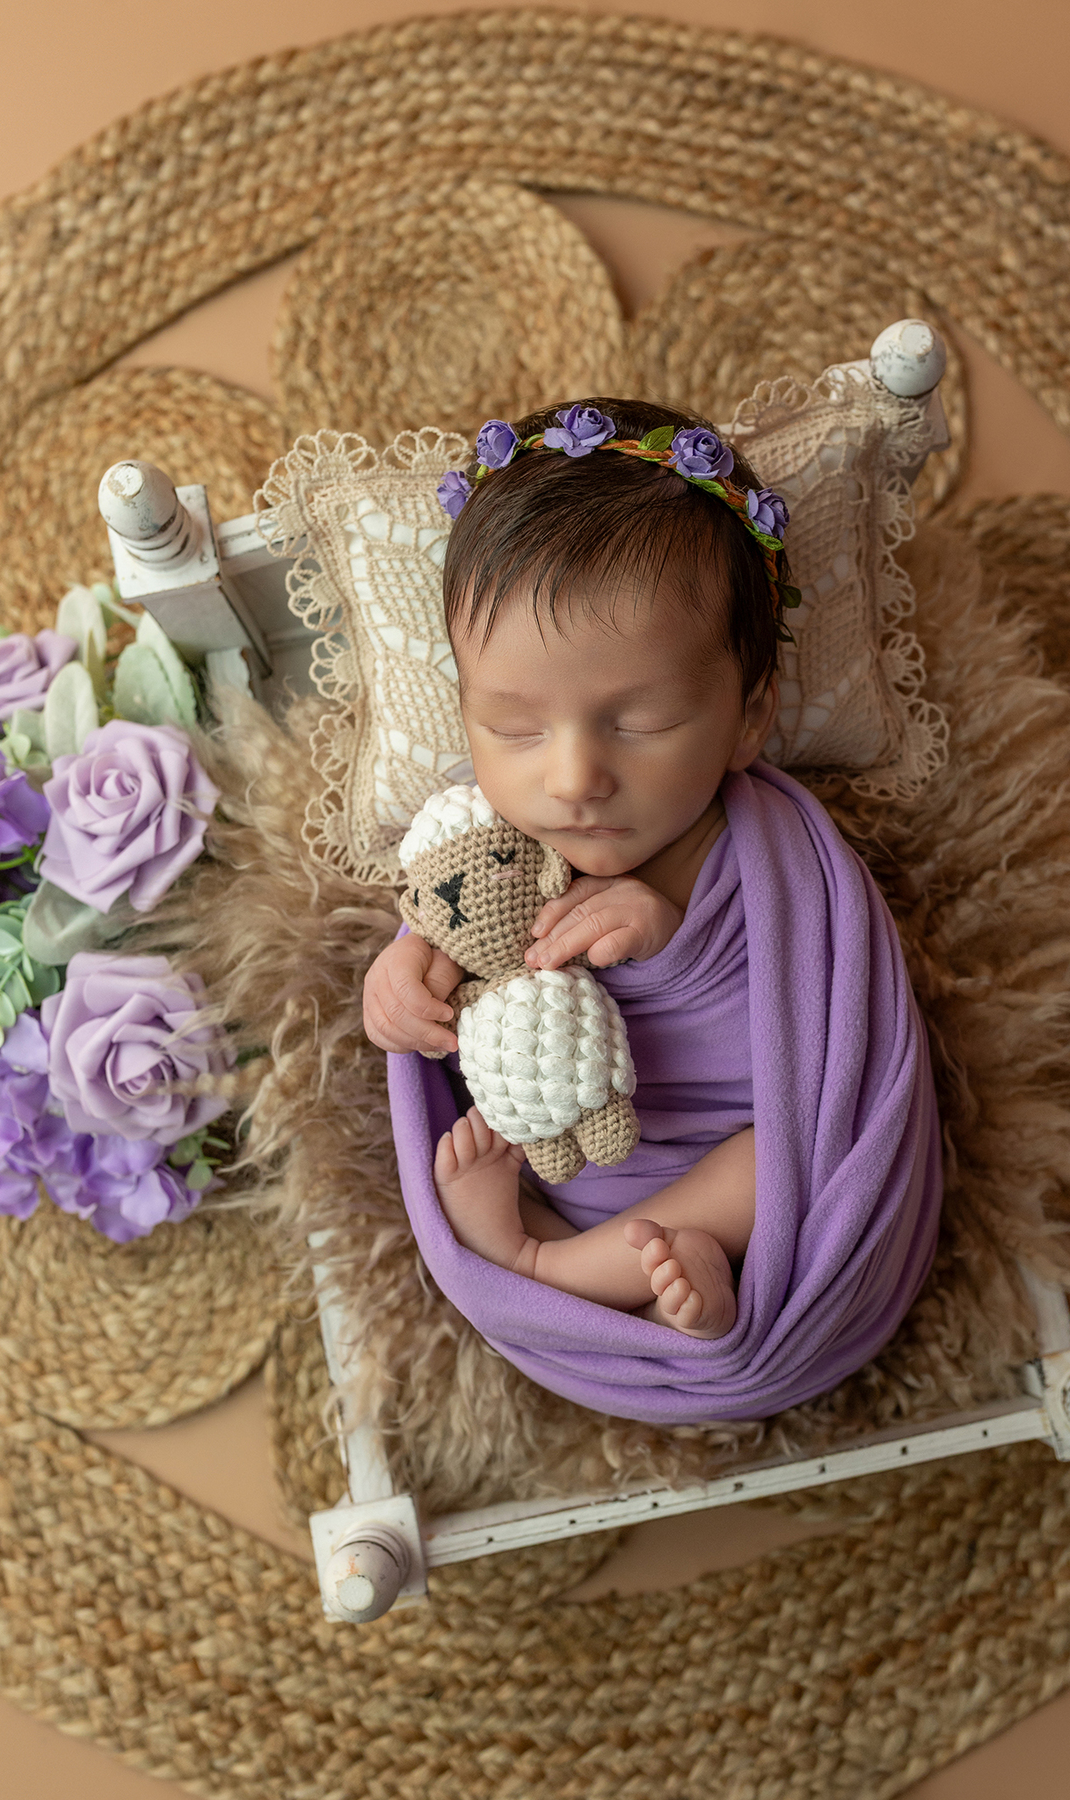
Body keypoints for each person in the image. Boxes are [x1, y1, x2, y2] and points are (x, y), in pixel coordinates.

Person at [363, 400, 940, 1364]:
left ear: (749, 715)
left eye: (638, 723)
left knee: (782, 1163)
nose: (572, 779)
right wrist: (400, 978)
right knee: (470, 1154)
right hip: (561, 1165)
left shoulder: (775, 854)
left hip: (757, 1169)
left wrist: (673, 935)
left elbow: (831, 1032)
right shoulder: (489, 837)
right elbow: (450, 917)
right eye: (512, 728)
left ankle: (562, 1269)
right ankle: (582, 1260)